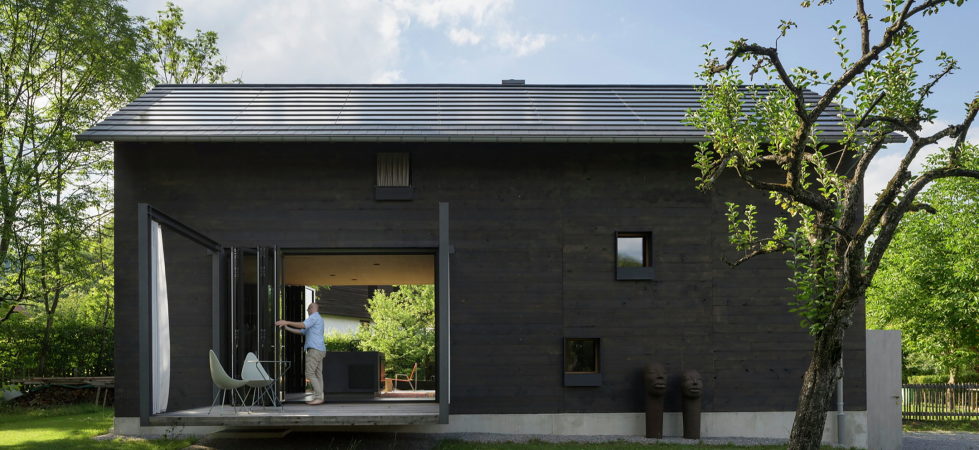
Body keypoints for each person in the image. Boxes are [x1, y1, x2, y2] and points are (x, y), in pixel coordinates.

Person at [275, 302, 326, 405]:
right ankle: (321, 396)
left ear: (312, 308)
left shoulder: (314, 317)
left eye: (308, 309)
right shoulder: (318, 319)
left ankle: (318, 397)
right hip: (320, 350)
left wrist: (286, 322)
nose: (307, 311)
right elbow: (302, 331)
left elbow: (303, 325)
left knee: (310, 373)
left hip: (314, 350)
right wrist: (287, 328)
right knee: (318, 374)